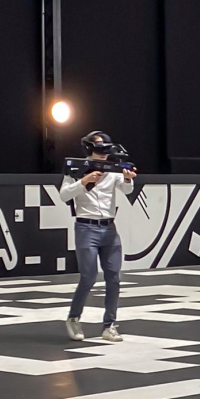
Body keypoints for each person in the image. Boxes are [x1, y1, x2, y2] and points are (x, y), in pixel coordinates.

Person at [58, 130, 135, 342]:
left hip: (109, 228)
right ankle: (74, 318)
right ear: (89, 149)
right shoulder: (76, 169)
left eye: (105, 150)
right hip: (86, 227)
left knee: (114, 277)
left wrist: (128, 179)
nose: (103, 154)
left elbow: (127, 189)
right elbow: (64, 195)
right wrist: (83, 181)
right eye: (99, 150)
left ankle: (109, 325)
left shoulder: (113, 169)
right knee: (88, 276)